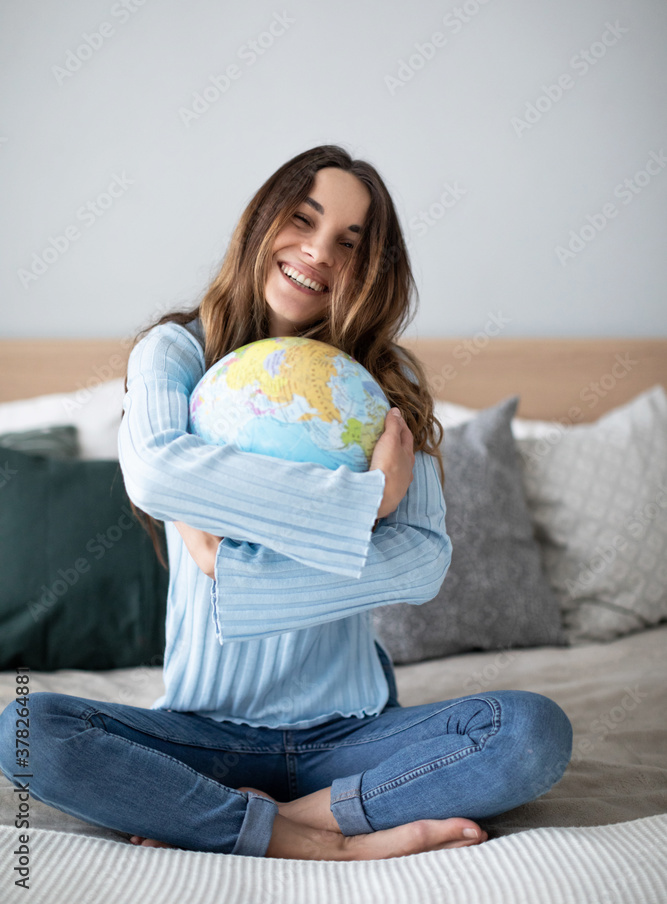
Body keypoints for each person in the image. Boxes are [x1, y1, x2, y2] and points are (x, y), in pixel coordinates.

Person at [0, 145, 573, 861]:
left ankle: (286, 817)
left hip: (352, 732)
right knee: (27, 729)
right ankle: (325, 842)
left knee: (530, 733)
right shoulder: (174, 351)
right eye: (302, 220)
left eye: (348, 242)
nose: (317, 251)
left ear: (369, 267)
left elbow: (422, 563)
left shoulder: (383, 380)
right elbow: (153, 471)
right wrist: (364, 503)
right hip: (202, 732)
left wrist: (231, 566)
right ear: (261, 221)